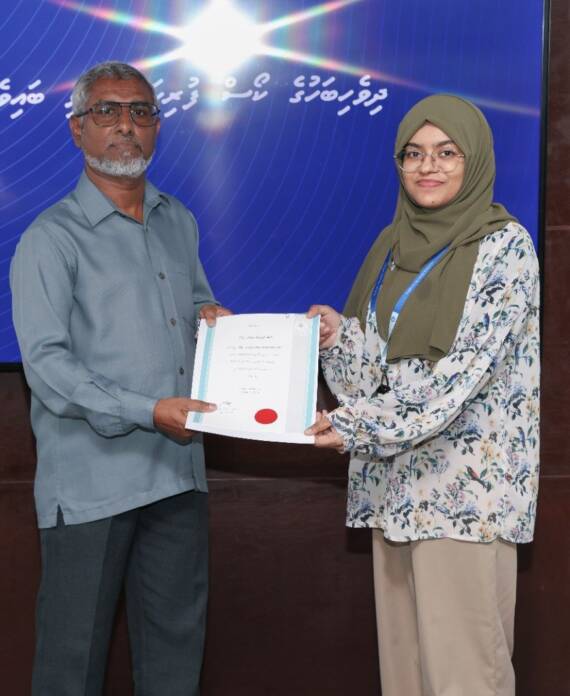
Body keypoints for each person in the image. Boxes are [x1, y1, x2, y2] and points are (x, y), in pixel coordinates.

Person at [306, 94, 540, 696]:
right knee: (404, 677)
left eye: (446, 152)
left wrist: (352, 426)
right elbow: (368, 381)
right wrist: (337, 339)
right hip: (393, 493)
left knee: (466, 679)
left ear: (474, 160)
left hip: (464, 499)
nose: (427, 166)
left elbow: (457, 379)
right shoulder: (391, 248)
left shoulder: (504, 248)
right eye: (413, 153)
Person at [10, 61, 230, 696]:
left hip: (177, 474)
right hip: (91, 489)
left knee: (174, 664)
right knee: (70, 665)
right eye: (107, 110)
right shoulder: (49, 239)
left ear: (157, 126)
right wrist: (148, 409)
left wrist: (214, 323)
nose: (125, 125)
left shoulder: (178, 220)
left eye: (141, 111)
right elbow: (48, 369)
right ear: (78, 128)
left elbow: (193, 307)